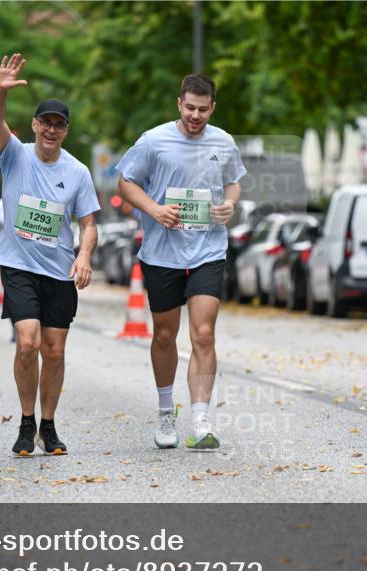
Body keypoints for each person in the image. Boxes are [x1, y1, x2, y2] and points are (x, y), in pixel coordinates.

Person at [116, 73, 246, 450]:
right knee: (165, 334)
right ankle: (164, 411)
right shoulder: (154, 141)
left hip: (207, 249)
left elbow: (234, 180)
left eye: (203, 110)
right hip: (162, 253)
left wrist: (230, 203)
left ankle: (201, 419)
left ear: (213, 109)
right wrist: (154, 209)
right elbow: (126, 182)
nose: (195, 115)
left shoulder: (223, 141)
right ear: (179, 103)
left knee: (203, 333)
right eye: (190, 107)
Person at [0, 53, 100, 457]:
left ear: (65, 131)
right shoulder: (14, 155)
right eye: (45, 122)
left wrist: (84, 256)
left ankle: (48, 426)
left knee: (54, 351)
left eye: (59, 124)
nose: (51, 129)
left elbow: (88, 223)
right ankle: (25, 422)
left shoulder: (78, 172)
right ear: (34, 125)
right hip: (18, 265)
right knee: (27, 344)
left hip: (58, 272)